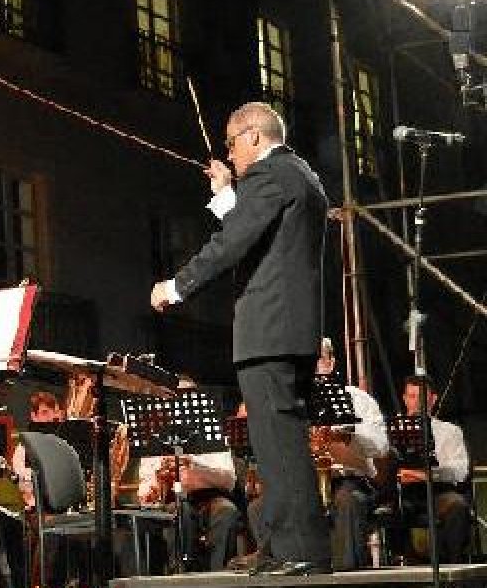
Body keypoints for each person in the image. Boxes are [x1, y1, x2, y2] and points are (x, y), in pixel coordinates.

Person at [149, 102, 331, 576]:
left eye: (231, 144)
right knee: (276, 443)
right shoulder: (300, 175)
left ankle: (300, 549)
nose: (229, 155)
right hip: (289, 329)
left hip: (270, 331)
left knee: (280, 442)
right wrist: (226, 195)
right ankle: (281, 543)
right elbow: (257, 231)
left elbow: (233, 244)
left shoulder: (271, 174)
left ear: (253, 137)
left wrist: (177, 285)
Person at [246, 339, 388, 570]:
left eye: (318, 359)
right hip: (306, 481)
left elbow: (381, 446)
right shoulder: (290, 404)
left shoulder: (357, 399)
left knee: (346, 501)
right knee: (259, 507)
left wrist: (347, 434)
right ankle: (282, 565)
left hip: (351, 480)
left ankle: (344, 574)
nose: (311, 366)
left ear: (330, 363)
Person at [136, 377, 240, 571]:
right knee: (177, 515)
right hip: (170, 501)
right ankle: (180, 576)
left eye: (188, 399)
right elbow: (144, 490)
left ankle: (219, 578)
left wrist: (194, 466)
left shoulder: (212, 434)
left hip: (209, 499)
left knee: (227, 512)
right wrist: (155, 482)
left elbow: (229, 479)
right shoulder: (155, 437)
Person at [395, 375, 472, 562]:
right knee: (388, 508)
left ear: (433, 399)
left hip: (438, 492)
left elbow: (460, 471)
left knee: (457, 506)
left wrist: (427, 475)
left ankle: (450, 565)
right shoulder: (393, 428)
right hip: (402, 494)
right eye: (411, 397)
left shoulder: (450, 431)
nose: (416, 403)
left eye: (421, 397)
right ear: (404, 399)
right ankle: (404, 564)